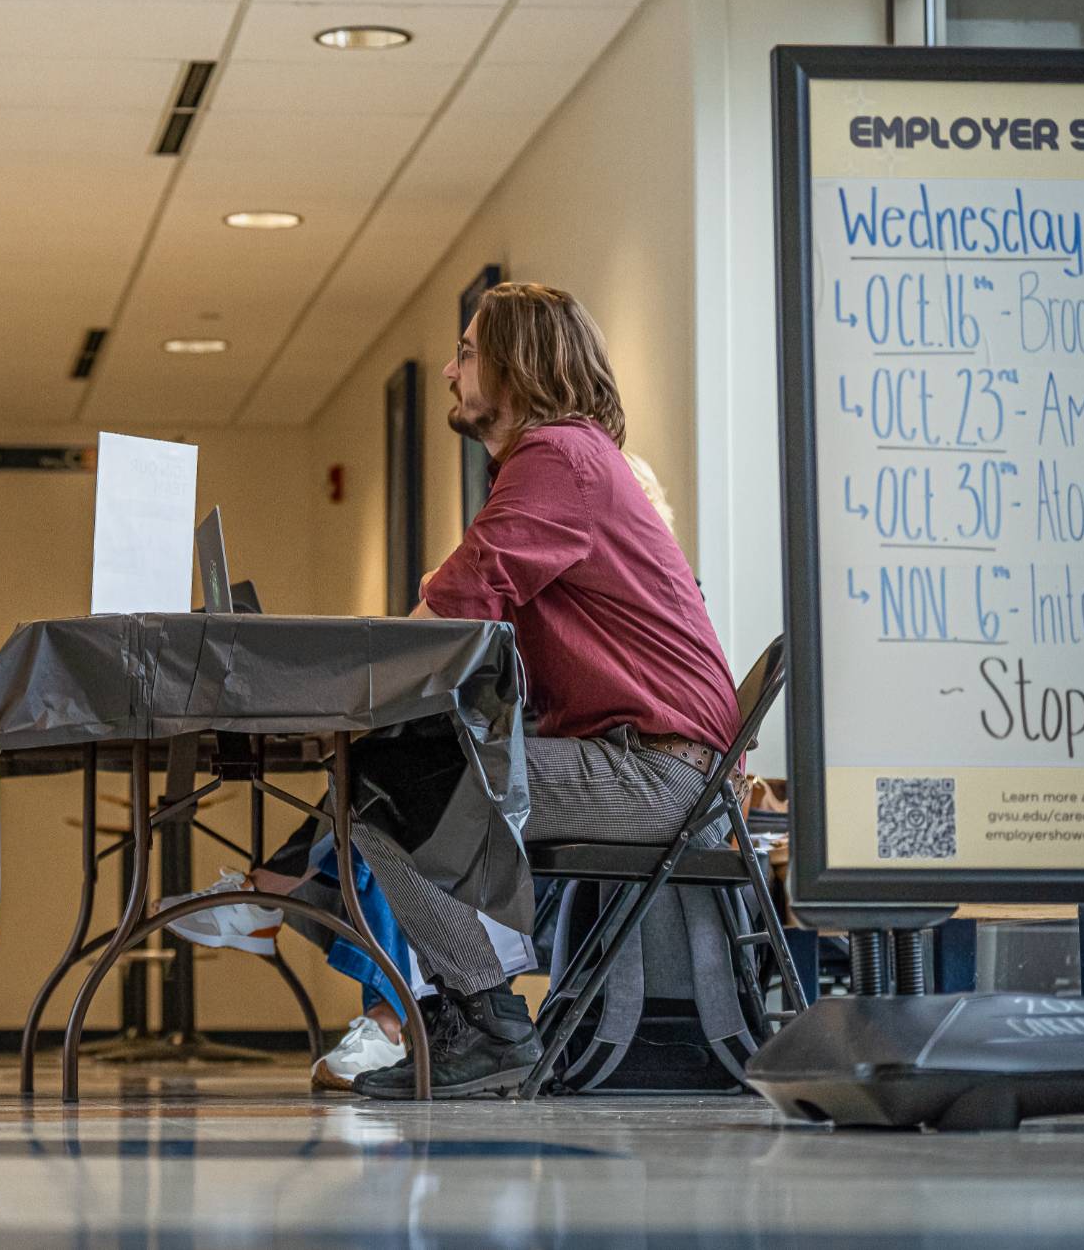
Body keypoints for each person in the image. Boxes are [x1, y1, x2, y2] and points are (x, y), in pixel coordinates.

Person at [172, 283, 741, 1100]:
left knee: (380, 775)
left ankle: (484, 1020)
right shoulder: (568, 459)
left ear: (516, 364)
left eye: (468, 352)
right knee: (401, 767)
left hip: (660, 775)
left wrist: (325, 686)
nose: (450, 369)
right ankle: (467, 1011)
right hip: (652, 763)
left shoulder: (558, 457)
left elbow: (456, 606)